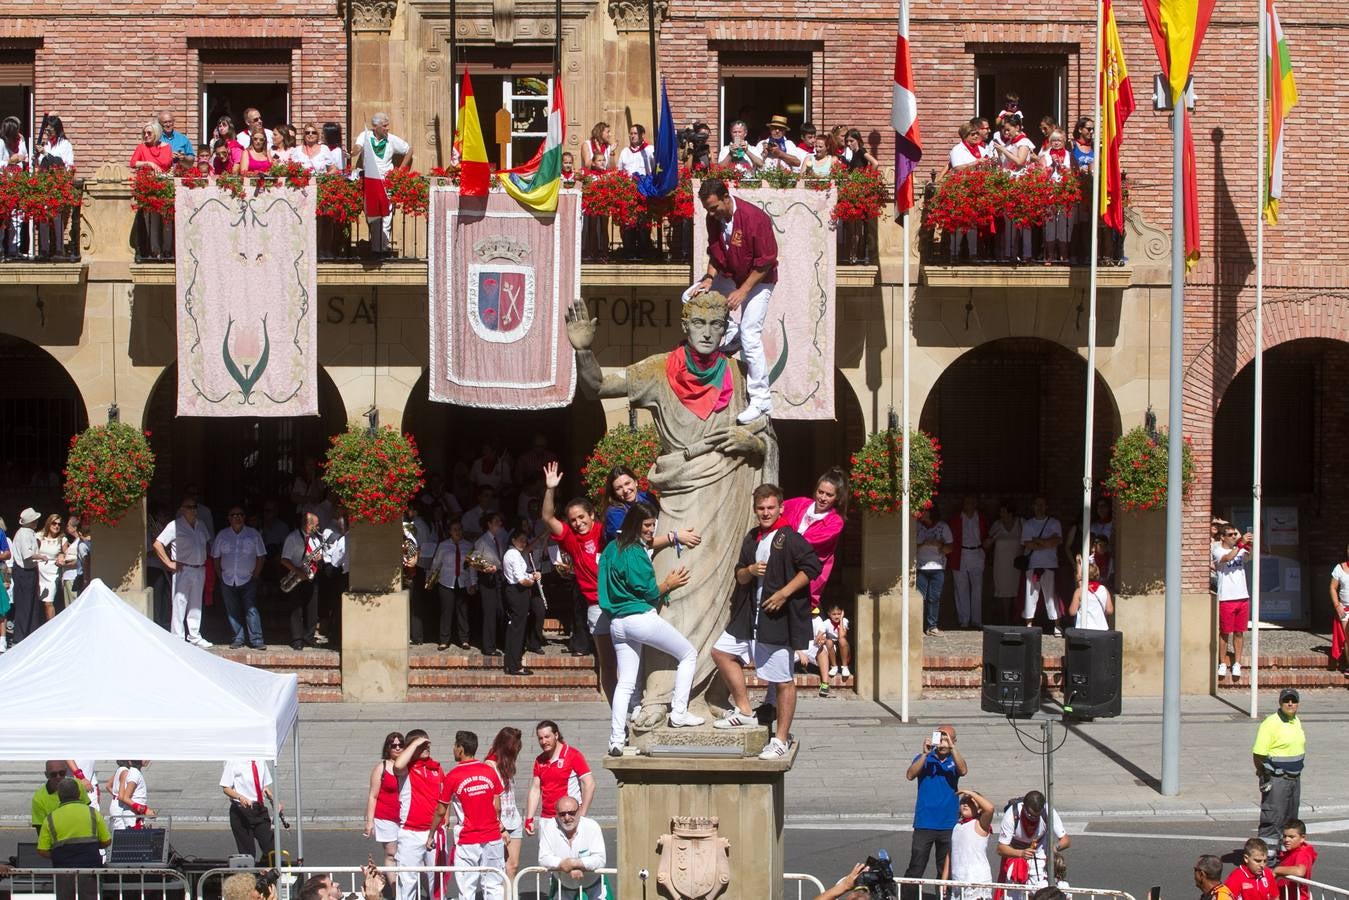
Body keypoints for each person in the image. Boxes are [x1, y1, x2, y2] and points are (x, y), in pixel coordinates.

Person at [567, 291, 771, 717]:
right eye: (700, 324)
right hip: (680, 498)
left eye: (717, 326)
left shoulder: (738, 373)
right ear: (685, 326)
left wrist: (749, 439)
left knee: (723, 597)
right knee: (673, 596)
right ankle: (661, 694)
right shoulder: (659, 370)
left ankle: (709, 698)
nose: (708, 334)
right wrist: (584, 350)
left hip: (728, 496)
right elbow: (598, 386)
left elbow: (766, 435)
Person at [712, 484, 822, 760]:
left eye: (770, 507)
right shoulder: (751, 538)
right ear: (755, 510)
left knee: (783, 680)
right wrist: (749, 570)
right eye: (761, 508)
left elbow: (812, 568)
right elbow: (739, 575)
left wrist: (784, 593)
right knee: (721, 652)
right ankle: (746, 711)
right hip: (749, 617)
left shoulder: (790, 537)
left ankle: (781, 739)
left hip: (777, 620)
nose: (765, 512)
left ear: (780, 508)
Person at [599, 501, 702, 754]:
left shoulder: (611, 548)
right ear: (635, 524)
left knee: (625, 684)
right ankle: (679, 712)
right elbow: (650, 591)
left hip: (616, 623)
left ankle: (615, 739)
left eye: (653, 524)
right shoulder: (634, 552)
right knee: (688, 654)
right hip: (639, 618)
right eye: (647, 524)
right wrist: (670, 583)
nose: (651, 529)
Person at [691, 178, 779, 423]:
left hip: (760, 281)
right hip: (732, 275)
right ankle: (732, 336)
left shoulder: (755, 218)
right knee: (691, 297)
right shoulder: (714, 219)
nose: (710, 214)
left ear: (726, 198)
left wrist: (742, 292)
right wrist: (708, 279)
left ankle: (761, 400)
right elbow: (715, 253)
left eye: (713, 207)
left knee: (751, 334)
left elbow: (766, 261)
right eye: (707, 209)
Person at [542, 463, 613, 684]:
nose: (578, 523)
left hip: (619, 602)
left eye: (582, 517)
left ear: (592, 514)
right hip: (595, 606)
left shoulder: (606, 531)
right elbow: (547, 518)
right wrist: (550, 489)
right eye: (573, 520)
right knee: (607, 664)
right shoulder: (571, 540)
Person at [427, 731, 505, 900]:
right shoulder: (489, 771)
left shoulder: (453, 776)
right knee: (494, 886)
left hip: (468, 838)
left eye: (455, 746)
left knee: (467, 888)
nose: (453, 749)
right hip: (492, 836)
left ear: (461, 749)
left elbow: (441, 810)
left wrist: (431, 834)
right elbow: (497, 806)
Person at [903, 726, 967, 889]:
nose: (943, 743)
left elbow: (963, 770)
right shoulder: (924, 758)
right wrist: (925, 753)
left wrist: (952, 748)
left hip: (948, 824)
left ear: (954, 741)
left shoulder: (955, 759)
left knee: (944, 869)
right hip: (924, 823)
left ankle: (943, 896)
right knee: (916, 868)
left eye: (947, 739)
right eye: (941, 738)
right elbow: (910, 775)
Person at [781, 468, 849, 615]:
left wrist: (784, 537)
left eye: (829, 495)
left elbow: (806, 544)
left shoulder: (835, 522)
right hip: (783, 568)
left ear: (837, 498)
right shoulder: (800, 503)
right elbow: (777, 509)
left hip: (806, 577)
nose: (823, 498)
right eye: (820, 492)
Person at [153, 496, 213, 647]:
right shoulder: (174, 525)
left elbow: (206, 543)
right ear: (182, 509)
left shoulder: (201, 525)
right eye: (188, 507)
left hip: (199, 568)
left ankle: (194, 636)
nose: (192, 510)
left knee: (196, 603)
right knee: (180, 602)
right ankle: (177, 638)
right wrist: (169, 563)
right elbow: (158, 544)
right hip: (183, 569)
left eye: (194, 507)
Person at [37, 776, 111, 899]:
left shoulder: (50, 818)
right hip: (90, 871)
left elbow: (42, 850)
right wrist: (91, 847)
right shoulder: (92, 813)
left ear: (59, 796)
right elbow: (106, 841)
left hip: (63, 872)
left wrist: (59, 854)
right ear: (78, 793)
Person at [392, 731, 445, 900]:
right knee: (408, 881)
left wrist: (444, 823)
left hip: (434, 832)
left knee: (436, 881)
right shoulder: (407, 768)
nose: (426, 748)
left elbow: (444, 797)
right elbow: (397, 766)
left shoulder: (436, 767)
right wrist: (414, 744)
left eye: (427, 745)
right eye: (421, 745)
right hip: (411, 832)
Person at [1253, 689, 1305, 854]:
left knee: (1290, 823)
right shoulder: (1270, 723)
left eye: (1293, 701)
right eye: (1286, 700)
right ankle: (1267, 863)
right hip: (1277, 779)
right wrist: (1265, 775)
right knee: (1273, 822)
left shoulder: (1296, 720)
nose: (1290, 704)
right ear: (1280, 703)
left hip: (1294, 779)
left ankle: (1285, 858)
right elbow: (1258, 754)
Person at [524, 721, 595, 841]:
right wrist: (529, 818)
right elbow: (535, 789)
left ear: (556, 735)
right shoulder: (539, 760)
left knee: (570, 858)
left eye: (547, 737)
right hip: (547, 819)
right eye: (540, 738)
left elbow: (590, 784)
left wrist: (582, 814)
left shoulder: (573, 755)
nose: (544, 741)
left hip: (568, 817)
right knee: (547, 859)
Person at [352, 112, 412, 257]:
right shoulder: (365, 135)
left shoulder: (391, 139)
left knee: (386, 214)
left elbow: (409, 149)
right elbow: (358, 147)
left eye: (387, 125)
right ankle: (375, 247)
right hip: (371, 180)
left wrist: (400, 171)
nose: (387, 128)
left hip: (386, 182)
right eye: (384, 126)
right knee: (372, 214)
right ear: (375, 126)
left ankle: (382, 249)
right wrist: (353, 153)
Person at [213, 506, 267, 649]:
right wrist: (220, 575)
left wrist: (256, 574)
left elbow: (261, 556)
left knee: (251, 609)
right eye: (233, 515)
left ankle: (257, 640)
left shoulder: (253, 534)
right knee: (232, 611)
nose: (237, 517)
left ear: (244, 517)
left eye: (240, 514)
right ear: (229, 518)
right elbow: (216, 557)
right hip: (227, 579)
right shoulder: (222, 535)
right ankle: (238, 638)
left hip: (248, 579)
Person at [996, 791, 1069, 895]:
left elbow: (1066, 840)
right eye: (1030, 815)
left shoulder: (1048, 812)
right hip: (1016, 857)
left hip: (1039, 859)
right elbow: (1000, 848)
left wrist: (1055, 847)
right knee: (1015, 894)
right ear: (1024, 807)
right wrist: (1021, 853)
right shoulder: (1012, 814)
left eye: (1037, 816)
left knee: (1040, 893)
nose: (1033, 819)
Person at [538, 796, 610, 899]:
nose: (567, 818)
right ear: (556, 814)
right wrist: (563, 864)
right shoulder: (549, 827)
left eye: (571, 813)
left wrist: (577, 864)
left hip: (594, 885)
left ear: (579, 811)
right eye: (562, 814)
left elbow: (600, 859)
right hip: (563, 885)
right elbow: (543, 858)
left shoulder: (592, 826)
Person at [1214, 523, 1255, 680]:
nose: (1234, 537)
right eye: (1230, 535)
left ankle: (1237, 663)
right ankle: (1222, 663)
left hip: (1242, 596)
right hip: (1226, 597)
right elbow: (1226, 558)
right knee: (1225, 632)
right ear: (1223, 537)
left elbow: (1250, 556)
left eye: (1235, 534)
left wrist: (1250, 544)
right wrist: (1240, 544)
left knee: (1239, 632)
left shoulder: (1241, 548)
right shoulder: (1217, 550)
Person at [280, 512, 326, 650]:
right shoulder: (293, 538)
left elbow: (321, 559)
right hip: (297, 576)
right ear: (308, 524)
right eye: (316, 524)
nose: (318, 527)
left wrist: (319, 558)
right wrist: (298, 571)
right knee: (296, 609)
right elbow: (284, 559)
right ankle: (297, 640)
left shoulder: (316, 539)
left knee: (312, 609)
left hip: (312, 576)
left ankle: (309, 637)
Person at [992, 117, 1035, 261]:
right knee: (1009, 220)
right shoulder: (1011, 143)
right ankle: (1010, 252)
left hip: (1020, 183)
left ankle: (1026, 253)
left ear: (1017, 127)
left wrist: (1003, 150)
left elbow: (1020, 161)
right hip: (1008, 183)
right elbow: (1005, 164)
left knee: (1023, 220)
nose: (1006, 132)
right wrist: (999, 154)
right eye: (1004, 129)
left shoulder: (1024, 142)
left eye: (1008, 129)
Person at [485, 727, 524, 881]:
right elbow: (489, 801)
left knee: (513, 866)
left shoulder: (507, 763)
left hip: (513, 819)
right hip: (499, 823)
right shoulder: (490, 765)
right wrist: (499, 827)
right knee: (498, 869)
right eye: (514, 748)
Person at [221, 759, 278, 863]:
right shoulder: (233, 761)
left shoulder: (260, 760)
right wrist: (240, 797)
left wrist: (274, 800)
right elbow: (226, 788)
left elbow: (263, 786)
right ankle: (250, 875)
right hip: (241, 810)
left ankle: (264, 874)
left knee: (271, 848)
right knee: (248, 854)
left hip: (259, 809)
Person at [502, 527, 540, 676]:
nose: (524, 543)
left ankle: (512, 663)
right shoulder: (513, 554)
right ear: (513, 540)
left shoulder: (515, 553)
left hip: (516, 592)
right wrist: (532, 580)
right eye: (521, 540)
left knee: (515, 628)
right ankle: (514, 665)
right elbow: (521, 580)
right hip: (517, 592)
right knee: (517, 629)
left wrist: (532, 575)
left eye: (525, 540)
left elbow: (523, 574)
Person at [1021, 496, 1062, 634]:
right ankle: (1029, 624)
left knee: (1051, 596)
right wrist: (1046, 543)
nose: (1039, 507)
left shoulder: (1054, 523)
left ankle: (1057, 625)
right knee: (1030, 596)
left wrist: (1038, 541)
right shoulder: (1028, 524)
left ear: (1046, 507)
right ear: (1033, 506)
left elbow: (1056, 541)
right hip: (1033, 565)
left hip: (1049, 565)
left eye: (1042, 504)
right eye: (1037, 504)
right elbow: (1028, 543)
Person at [944, 789, 995, 900]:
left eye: (971, 802)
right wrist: (945, 878)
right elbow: (950, 852)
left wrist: (972, 793)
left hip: (977, 879)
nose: (966, 804)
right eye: (963, 802)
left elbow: (990, 809)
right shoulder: (957, 826)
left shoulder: (980, 824)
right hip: (958, 879)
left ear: (979, 808)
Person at [430, 520, 473, 651]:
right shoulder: (443, 546)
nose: (458, 532)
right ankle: (444, 640)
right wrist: (430, 579)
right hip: (446, 582)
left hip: (462, 582)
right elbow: (436, 564)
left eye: (459, 529)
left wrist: (473, 583)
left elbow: (472, 567)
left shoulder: (468, 545)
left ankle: (464, 640)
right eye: (454, 529)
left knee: (463, 612)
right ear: (450, 531)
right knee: (446, 612)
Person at [35, 116, 74, 258]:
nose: (47, 133)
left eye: (50, 130)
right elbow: (41, 165)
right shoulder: (45, 145)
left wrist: (46, 154)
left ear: (57, 129)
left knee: (57, 217)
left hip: (58, 185)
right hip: (44, 185)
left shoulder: (65, 145)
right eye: (46, 131)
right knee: (43, 217)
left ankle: (59, 249)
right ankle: (44, 249)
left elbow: (62, 164)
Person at [364, 732, 405, 866]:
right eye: (394, 745)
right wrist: (369, 822)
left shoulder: (409, 767)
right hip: (386, 818)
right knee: (391, 853)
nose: (397, 748)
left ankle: (406, 885)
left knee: (406, 853)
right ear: (388, 748)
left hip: (406, 817)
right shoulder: (380, 768)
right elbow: (373, 796)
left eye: (401, 745)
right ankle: (394, 887)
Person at [948, 496, 988, 630]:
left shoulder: (981, 518)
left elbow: (986, 535)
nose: (970, 504)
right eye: (967, 502)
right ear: (963, 505)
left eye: (972, 502)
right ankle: (964, 620)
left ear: (976, 504)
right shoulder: (955, 519)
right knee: (961, 588)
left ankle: (977, 620)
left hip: (977, 552)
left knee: (977, 588)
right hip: (961, 554)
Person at [472, 511, 508, 656]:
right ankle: (489, 647)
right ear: (489, 524)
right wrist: (478, 577)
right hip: (487, 579)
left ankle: (499, 641)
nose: (499, 524)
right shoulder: (482, 541)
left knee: (500, 610)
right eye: (496, 521)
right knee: (490, 613)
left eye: (500, 521)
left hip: (498, 577)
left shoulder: (498, 539)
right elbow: (472, 561)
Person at [1039, 129, 1075, 264]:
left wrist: (1062, 168)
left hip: (1065, 193)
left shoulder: (1069, 156)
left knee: (1064, 225)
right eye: (1054, 140)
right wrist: (1051, 168)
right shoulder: (1045, 156)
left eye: (1059, 140)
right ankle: (1050, 256)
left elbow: (1074, 174)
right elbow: (1041, 176)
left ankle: (1064, 256)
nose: (1056, 143)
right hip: (1050, 193)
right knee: (1050, 225)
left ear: (1064, 141)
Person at [916, 504, 953, 636]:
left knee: (934, 598)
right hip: (921, 567)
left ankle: (932, 626)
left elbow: (950, 548)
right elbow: (909, 545)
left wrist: (940, 545)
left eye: (924, 511)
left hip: (938, 568)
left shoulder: (943, 527)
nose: (921, 513)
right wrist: (923, 543)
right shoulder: (917, 526)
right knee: (920, 598)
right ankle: (917, 626)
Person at [986, 501, 1023, 624]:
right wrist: (993, 538)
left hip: (1017, 565)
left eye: (1004, 511)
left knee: (1017, 591)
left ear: (1011, 513)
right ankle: (1006, 620)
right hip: (1001, 565)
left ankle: (1017, 618)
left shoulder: (1021, 523)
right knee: (1004, 592)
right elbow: (986, 545)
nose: (1001, 514)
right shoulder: (997, 525)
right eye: (1000, 511)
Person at [32, 762, 89, 835]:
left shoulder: (78, 785)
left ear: (66, 772)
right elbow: (41, 830)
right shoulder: (38, 798)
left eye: (62, 773)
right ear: (46, 775)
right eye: (53, 774)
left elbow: (87, 814)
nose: (58, 777)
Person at [10, 508, 41, 643]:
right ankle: (21, 637)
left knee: (32, 604)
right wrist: (42, 556)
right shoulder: (23, 534)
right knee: (24, 604)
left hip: (30, 571)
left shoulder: (30, 533)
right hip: (24, 573)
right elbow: (27, 555)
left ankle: (30, 634)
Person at [1274, 820, 1317, 899]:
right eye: (1284, 836)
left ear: (1302, 838)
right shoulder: (1289, 852)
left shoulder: (1303, 852)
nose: (1286, 840)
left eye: (1291, 837)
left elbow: (1300, 871)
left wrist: (1277, 870)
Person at [108, 760, 155, 830]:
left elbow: (108, 786)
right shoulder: (131, 773)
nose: (148, 760)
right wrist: (144, 810)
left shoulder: (127, 771)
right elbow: (123, 797)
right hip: (126, 810)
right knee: (125, 835)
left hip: (131, 810)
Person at [34, 514, 64, 618]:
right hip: (38, 573)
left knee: (48, 603)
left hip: (52, 574)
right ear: (48, 523)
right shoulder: (39, 536)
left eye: (59, 524)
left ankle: (50, 627)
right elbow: (33, 551)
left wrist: (62, 556)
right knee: (38, 602)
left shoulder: (62, 539)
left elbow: (66, 553)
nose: (57, 526)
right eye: (54, 523)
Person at [58, 515, 91, 605]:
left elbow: (79, 561)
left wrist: (64, 564)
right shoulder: (74, 542)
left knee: (73, 604)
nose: (67, 527)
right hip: (67, 577)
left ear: (75, 528)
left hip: (73, 577)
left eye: (68, 525)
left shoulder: (79, 543)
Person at [1329, 543, 1349, 672]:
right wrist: (1337, 605)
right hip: (1345, 609)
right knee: (1348, 638)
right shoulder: (1340, 568)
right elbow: (1332, 587)